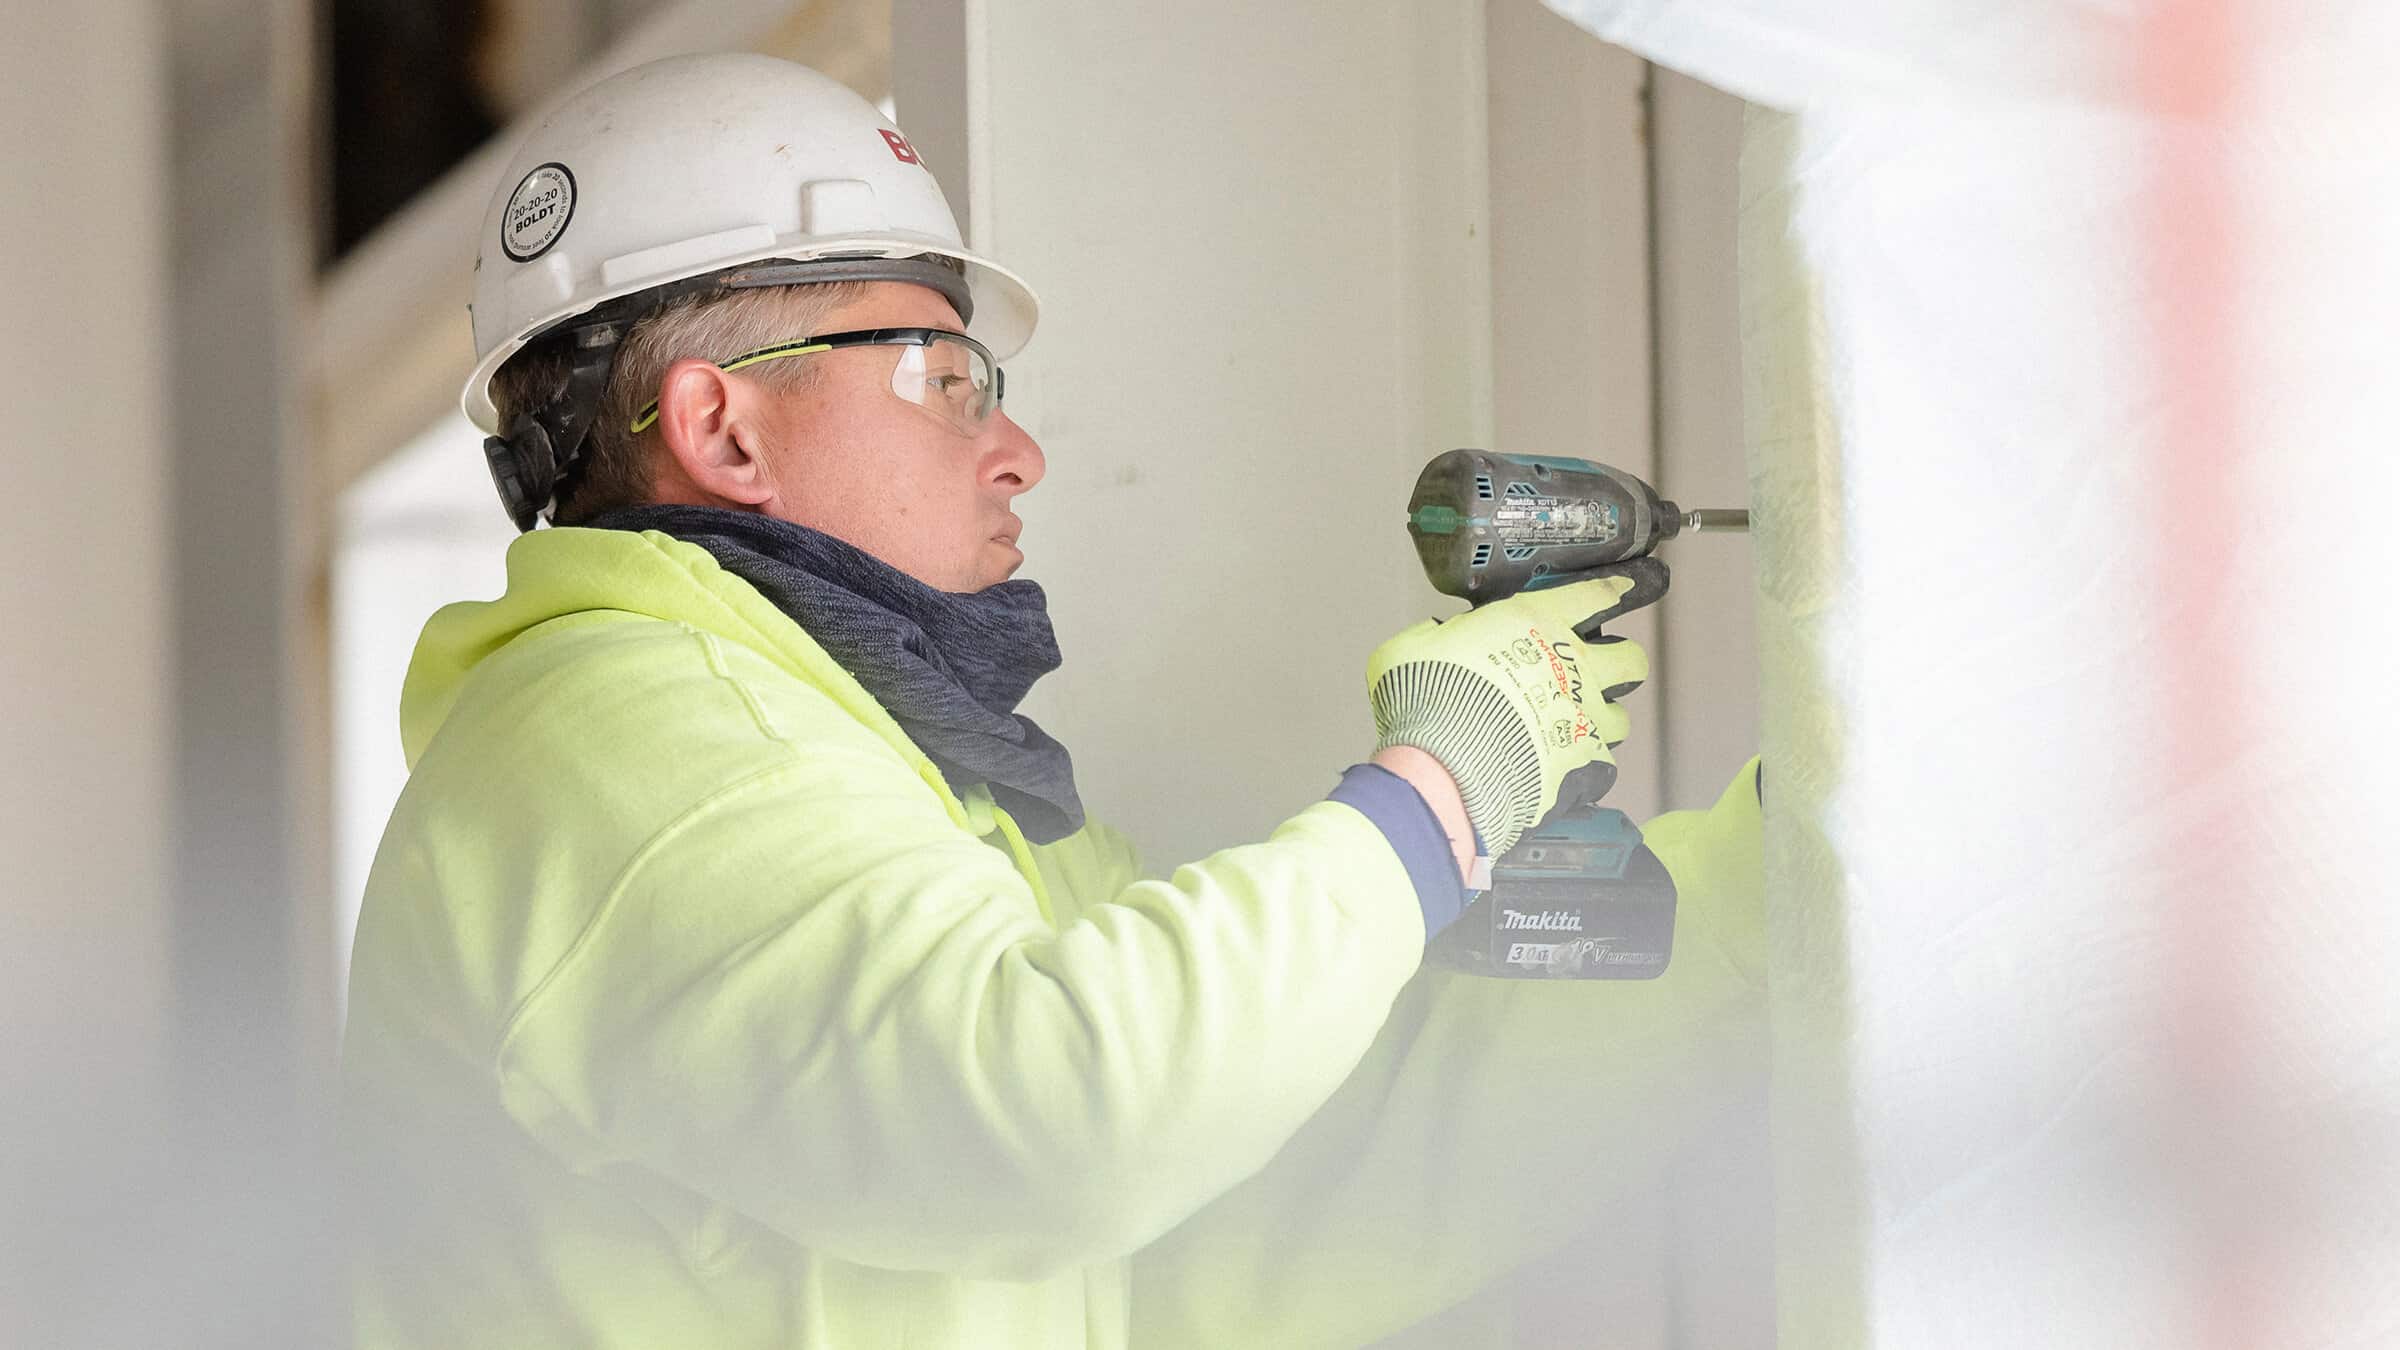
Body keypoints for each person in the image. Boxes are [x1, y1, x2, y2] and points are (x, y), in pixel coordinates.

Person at [340, 51, 1767, 1349]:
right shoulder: (606, 737)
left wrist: (1773, 895)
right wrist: (1442, 792)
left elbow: (1214, 1212)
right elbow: (1062, 1116)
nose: (1018, 448)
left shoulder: (904, 767)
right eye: (942, 376)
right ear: (726, 426)